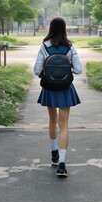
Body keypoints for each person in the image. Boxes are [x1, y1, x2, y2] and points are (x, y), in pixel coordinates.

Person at [34, 17, 82, 177]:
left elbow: (36, 71)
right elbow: (79, 70)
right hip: (65, 88)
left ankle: (54, 153)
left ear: (51, 28)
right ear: (64, 28)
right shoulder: (69, 46)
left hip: (49, 87)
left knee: (52, 121)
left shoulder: (44, 46)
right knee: (64, 124)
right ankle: (62, 164)